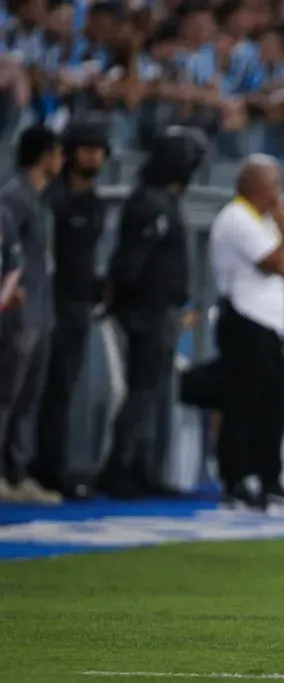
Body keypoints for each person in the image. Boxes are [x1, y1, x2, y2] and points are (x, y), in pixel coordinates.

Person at [97, 126, 207, 500]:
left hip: (162, 309)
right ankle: (119, 467)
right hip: (148, 310)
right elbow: (130, 263)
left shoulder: (160, 199)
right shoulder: (150, 203)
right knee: (143, 391)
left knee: (152, 391)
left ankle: (139, 467)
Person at [209, 154, 284, 512]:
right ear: (255, 186)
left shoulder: (262, 220)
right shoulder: (238, 218)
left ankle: (268, 481)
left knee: (275, 403)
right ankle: (237, 480)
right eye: (274, 183)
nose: (279, 192)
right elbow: (275, 262)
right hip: (244, 321)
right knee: (243, 404)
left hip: (265, 325)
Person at [32, 117, 110, 498]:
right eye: (86, 149)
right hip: (50, 303)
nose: (94, 156)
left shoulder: (93, 202)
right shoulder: (54, 200)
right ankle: (38, 467)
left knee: (63, 389)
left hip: (78, 304)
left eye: (99, 150)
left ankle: (53, 466)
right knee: (38, 390)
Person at [0, 124, 65, 504]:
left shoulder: (40, 199)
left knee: (29, 394)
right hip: (18, 312)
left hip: (41, 309)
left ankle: (16, 470)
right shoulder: (14, 198)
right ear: (45, 155)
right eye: (57, 153)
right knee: (6, 392)